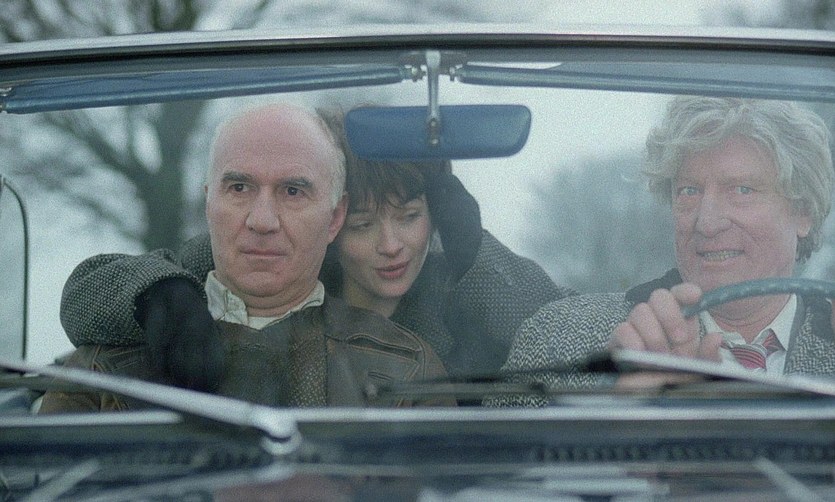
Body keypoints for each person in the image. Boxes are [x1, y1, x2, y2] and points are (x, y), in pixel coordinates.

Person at [55, 106, 573, 384]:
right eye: (363, 224)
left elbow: (560, 332)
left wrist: (472, 254)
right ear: (332, 222)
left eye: (410, 217)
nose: (392, 246)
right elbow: (94, 290)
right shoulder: (280, 259)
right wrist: (160, 296)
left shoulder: (463, 286)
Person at [39, 103, 450, 412]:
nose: (262, 221)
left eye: (293, 191)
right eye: (239, 188)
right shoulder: (105, 372)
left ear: (335, 217)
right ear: (208, 203)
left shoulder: (407, 371)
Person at [490, 96, 835, 407]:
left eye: (742, 190)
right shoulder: (560, 336)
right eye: (689, 191)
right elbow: (497, 457)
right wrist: (618, 421)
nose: (707, 223)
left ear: (803, 212)